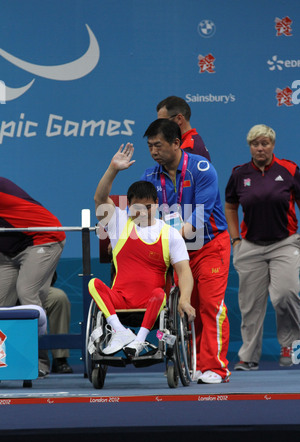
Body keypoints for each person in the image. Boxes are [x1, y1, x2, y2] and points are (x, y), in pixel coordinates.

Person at [141, 119, 231, 384]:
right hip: (179, 253)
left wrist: (161, 235)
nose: (154, 151)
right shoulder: (149, 176)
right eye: (149, 146)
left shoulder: (202, 170)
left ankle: (215, 367)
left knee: (211, 305)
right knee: (187, 307)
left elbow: (197, 223)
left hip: (210, 245)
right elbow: (144, 218)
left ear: (176, 143)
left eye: (158, 145)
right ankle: (195, 363)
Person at [89, 143, 195, 358]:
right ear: (129, 205)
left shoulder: (170, 233)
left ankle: (139, 340)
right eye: (138, 207)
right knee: (94, 284)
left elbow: (184, 272)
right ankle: (119, 331)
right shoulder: (118, 222)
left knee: (159, 292)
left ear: (157, 204)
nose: (143, 212)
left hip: (153, 304)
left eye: (149, 207)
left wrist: (185, 299)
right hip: (120, 301)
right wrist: (113, 169)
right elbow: (100, 199)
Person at [225, 124, 300, 370]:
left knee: (285, 295)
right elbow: (230, 206)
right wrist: (236, 239)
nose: (260, 148)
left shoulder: (288, 169)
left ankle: (289, 345)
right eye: (255, 144)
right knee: (250, 305)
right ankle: (249, 357)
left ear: (272, 145)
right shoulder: (239, 174)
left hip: (284, 244)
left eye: (264, 143)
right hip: (250, 246)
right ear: (249, 147)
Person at [0, 177, 66, 374]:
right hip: (9, 248)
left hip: (43, 238)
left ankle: (38, 363)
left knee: (27, 294)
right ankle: (6, 361)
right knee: (2, 303)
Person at [156, 95, 211, 161]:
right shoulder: (186, 142)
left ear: (179, 119)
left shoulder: (188, 148)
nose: (160, 126)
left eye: (163, 121)